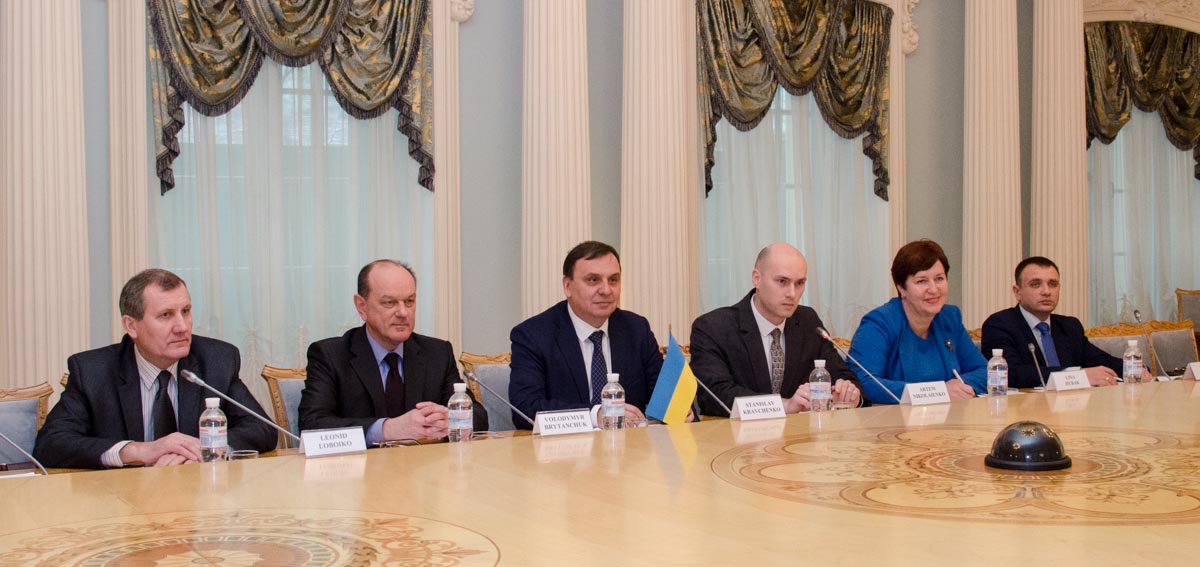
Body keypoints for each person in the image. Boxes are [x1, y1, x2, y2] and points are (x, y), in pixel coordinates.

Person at [34, 269, 276, 469]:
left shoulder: (216, 360)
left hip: (200, 497)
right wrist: (138, 451)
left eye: (185, 311)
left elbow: (262, 429)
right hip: (122, 502)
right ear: (131, 326)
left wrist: (200, 449)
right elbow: (51, 444)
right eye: (166, 315)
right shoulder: (93, 371)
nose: (182, 327)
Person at [299, 260, 486, 444]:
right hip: (361, 464)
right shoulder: (330, 355)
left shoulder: (437, 353)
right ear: (361, 306)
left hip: (424, 463)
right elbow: (311, 425)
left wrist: (450, 420)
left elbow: (478, 416)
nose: (403, 312)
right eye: (390, 302)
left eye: (409, 301)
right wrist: (386, 429)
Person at [690, 243, 863, 416]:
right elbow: (715, 396)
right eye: (782, 281)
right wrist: (784, 406)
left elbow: (843, 375)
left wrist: (849, 394)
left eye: (799, 283)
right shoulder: (714, 328)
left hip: (799, 432)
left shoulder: (808, 321)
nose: (792, 293)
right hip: (736, 431)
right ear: (757, 278)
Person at [508, 241, 664, 429]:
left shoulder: (636, 329)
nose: (606, 290)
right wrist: (595, 415)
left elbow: (664, 395)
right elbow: (525, 409)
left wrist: (679, 410)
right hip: (564, 447)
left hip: (630, 444)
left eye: (613, 280)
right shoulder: (533, 335)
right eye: (593, 280)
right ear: (567, 286)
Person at [848, 240, 986, 403]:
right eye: (922, 281)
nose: (933, 289)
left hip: (949, 416)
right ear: (901, 288)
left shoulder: (950, 318)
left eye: (939, 278)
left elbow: (985, 372)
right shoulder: (878, 324)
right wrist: (938, 393)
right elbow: (863, 382)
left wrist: (959, 387)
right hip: (894, 418)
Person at [980, 256, 1141, 387]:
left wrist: (1138, 369)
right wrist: (1079, 376)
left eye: (1053, 284)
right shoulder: (1000, 325)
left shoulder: (1069, 326)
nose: (1046, 291)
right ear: (1017, 292)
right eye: (1036, 284)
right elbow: (1012, 374)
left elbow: (1102, 361)